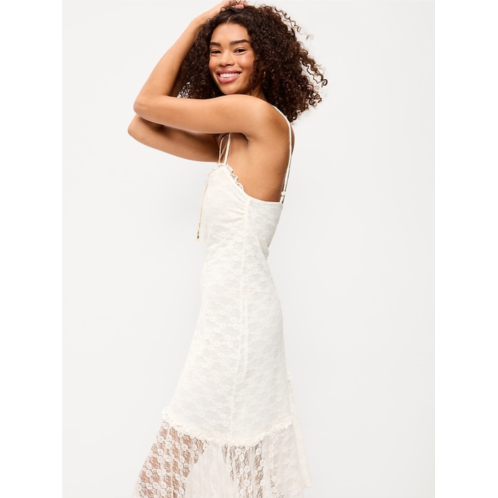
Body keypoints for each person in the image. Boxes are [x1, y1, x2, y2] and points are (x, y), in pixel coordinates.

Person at [128, 1, 327, 496]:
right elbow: (140, 128)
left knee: (160, 480)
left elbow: (146, 103)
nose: (224, 61)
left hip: (237, 325)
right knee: (246, 475)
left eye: (239, 49)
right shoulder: (232, 138)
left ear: (266, 57)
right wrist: (200, 34)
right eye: (214, 50)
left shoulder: (253, 114)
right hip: (231, 319)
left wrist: (195, 25)